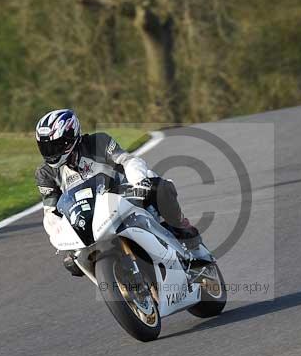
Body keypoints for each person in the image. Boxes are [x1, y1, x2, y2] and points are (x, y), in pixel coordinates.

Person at [34, 108, 200, 277]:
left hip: (123, 194)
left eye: (55, 145)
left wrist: (138, 181)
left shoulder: (98, 142)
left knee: (158, 186)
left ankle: (181, 226)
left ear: (71, 137)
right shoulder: (45, 173)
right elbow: (51, 212)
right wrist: (63, 241)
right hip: (88, 216)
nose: (51, 152)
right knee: (73, 263)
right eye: (46, 147)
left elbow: (128, 161)